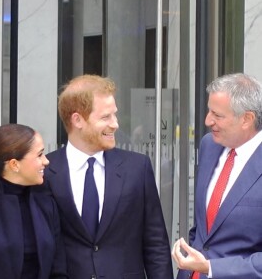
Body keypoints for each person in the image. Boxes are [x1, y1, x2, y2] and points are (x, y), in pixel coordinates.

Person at [44, 74, 173, 278]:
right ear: (77, 120)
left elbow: (156, 244)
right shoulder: (46, 171)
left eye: (115, 115)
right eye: (105, 117)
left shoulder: (137, 168)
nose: (115, 124)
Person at [172, 73, 262, 278]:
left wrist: (211, 268)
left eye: (217, 115)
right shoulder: (209, 145)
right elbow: (204, 229)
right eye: (208, 111)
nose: (207, 121)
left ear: (247, 119)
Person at [0, 123, 68, 279]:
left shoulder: (46, 206)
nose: (46, 161)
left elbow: (58, 270)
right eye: (39, 155)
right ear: (14, 164)